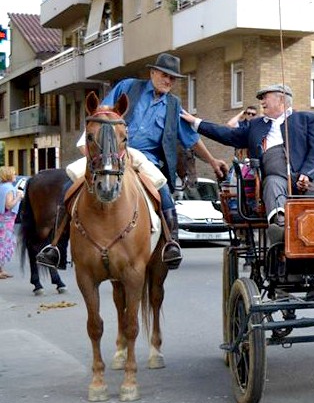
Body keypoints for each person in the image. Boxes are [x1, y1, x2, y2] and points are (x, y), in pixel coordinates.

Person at [38, 53, 229, 270]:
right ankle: (56, 248)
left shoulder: (174, 106)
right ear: (152, 73)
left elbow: (192, 140)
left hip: (146, 159)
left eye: (173, 78)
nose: (168, 81)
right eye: (165, 75)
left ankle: (171, 243)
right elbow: (101, 114)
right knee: (69, 186)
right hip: (113, 152)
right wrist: (87, 142)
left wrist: (213, 161)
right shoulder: (128, 87)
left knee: (163, 190)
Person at [182, 83, 314, 230]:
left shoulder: (308, 119)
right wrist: (196, 122)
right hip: (276, 177)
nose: (262, 102)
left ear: (281, 99)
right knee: (271, 184)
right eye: (261, 98)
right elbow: (227, 134)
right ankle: (280, 228)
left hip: (309, 176)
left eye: (265, 97)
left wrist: (307, 174)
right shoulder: (255, 125)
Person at [0, 166, 24, 279]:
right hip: (6, 221)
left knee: (2, 243)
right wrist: (19, 197)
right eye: (14, 174)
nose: (15, 175)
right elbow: (9, 205)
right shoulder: (9, 188)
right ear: (9, 175)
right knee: (4, 244)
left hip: (3, 219)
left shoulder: (2, 187)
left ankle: (1, 270)